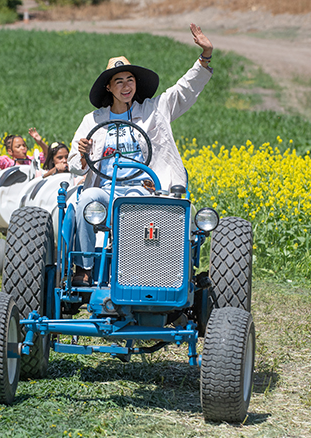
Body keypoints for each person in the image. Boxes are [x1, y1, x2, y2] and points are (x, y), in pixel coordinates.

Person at [68, 23, 214, 286]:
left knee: (152, 208)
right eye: (119, 82)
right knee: (88, 198)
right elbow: (74, 166)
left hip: (143, 188)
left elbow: (183, 91)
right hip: (107, 190)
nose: (126, 87)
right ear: (109, 88)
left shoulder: (152, 111)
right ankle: (85, 267)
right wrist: (82, 154)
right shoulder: (93, 120)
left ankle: (154, 274)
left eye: (130, 80)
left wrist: (204, 57)